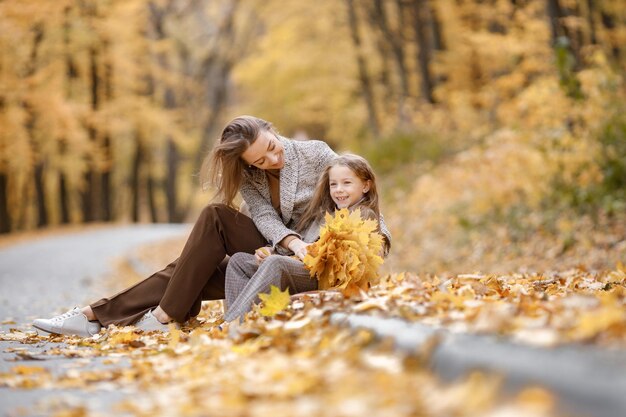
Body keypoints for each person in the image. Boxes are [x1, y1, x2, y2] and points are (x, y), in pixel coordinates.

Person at [32, 116, 391, 337]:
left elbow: (359, 186)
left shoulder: (314, 152)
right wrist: (290, 242)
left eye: (270, 147)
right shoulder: (253, 175)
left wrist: (378, 241)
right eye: (260, 159)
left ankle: (103, 314)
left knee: (192, 270)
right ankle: (126, 314)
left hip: (312, 250)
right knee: (215, 218)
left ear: (272, 129)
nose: (271, 159)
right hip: (280, 243)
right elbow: (265, 218)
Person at [223, 154, 390, 322]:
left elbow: (347, 264)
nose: (339, 189)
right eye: (333, 184)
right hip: (305, 266)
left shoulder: (364, 214)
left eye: (347, 183)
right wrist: (272, 249)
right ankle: (244, 323)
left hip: (325, 277)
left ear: (366, 186)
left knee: (275, 263)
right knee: (238, 262)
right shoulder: (326, 213)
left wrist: (300, 256)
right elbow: (301, 241)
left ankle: (230, 324)